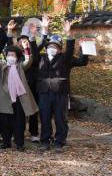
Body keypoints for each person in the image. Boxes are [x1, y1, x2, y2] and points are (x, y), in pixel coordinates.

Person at [35, 20, 88, 153]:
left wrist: (68, 33)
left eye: (55, 46)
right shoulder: (41, 57)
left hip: (60, 92)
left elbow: (73, 53)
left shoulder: (64, 58)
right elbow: (34, 49)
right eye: (50, 45)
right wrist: (44, 30)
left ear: (59, 49)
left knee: (60, 118)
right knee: (45, 117)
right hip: (45, 91)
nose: (52, 48)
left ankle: (60, 141)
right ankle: (45, 141)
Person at [0, 40, 39, 152]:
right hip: (5, 98)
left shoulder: (20, 67)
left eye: (13, 55)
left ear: (17, 57)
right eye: (8, 55)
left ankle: (19, 143)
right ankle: (6, 141)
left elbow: (28, 61)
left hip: (19, 98)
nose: (10, 57)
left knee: (19, 121)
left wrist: (26, 49)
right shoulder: (2, 66)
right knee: (5, 121)